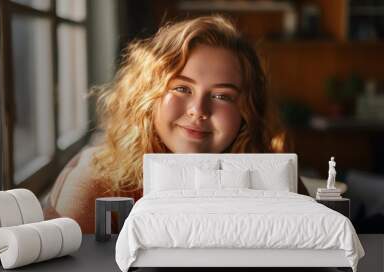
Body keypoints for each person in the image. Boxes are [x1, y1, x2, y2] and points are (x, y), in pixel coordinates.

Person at [44, 15, 308, 233]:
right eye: (182, 88)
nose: (198, 111)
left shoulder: (278, 177)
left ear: (248, 110)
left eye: (222, 96)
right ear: (148, 94)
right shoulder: (98, 183)